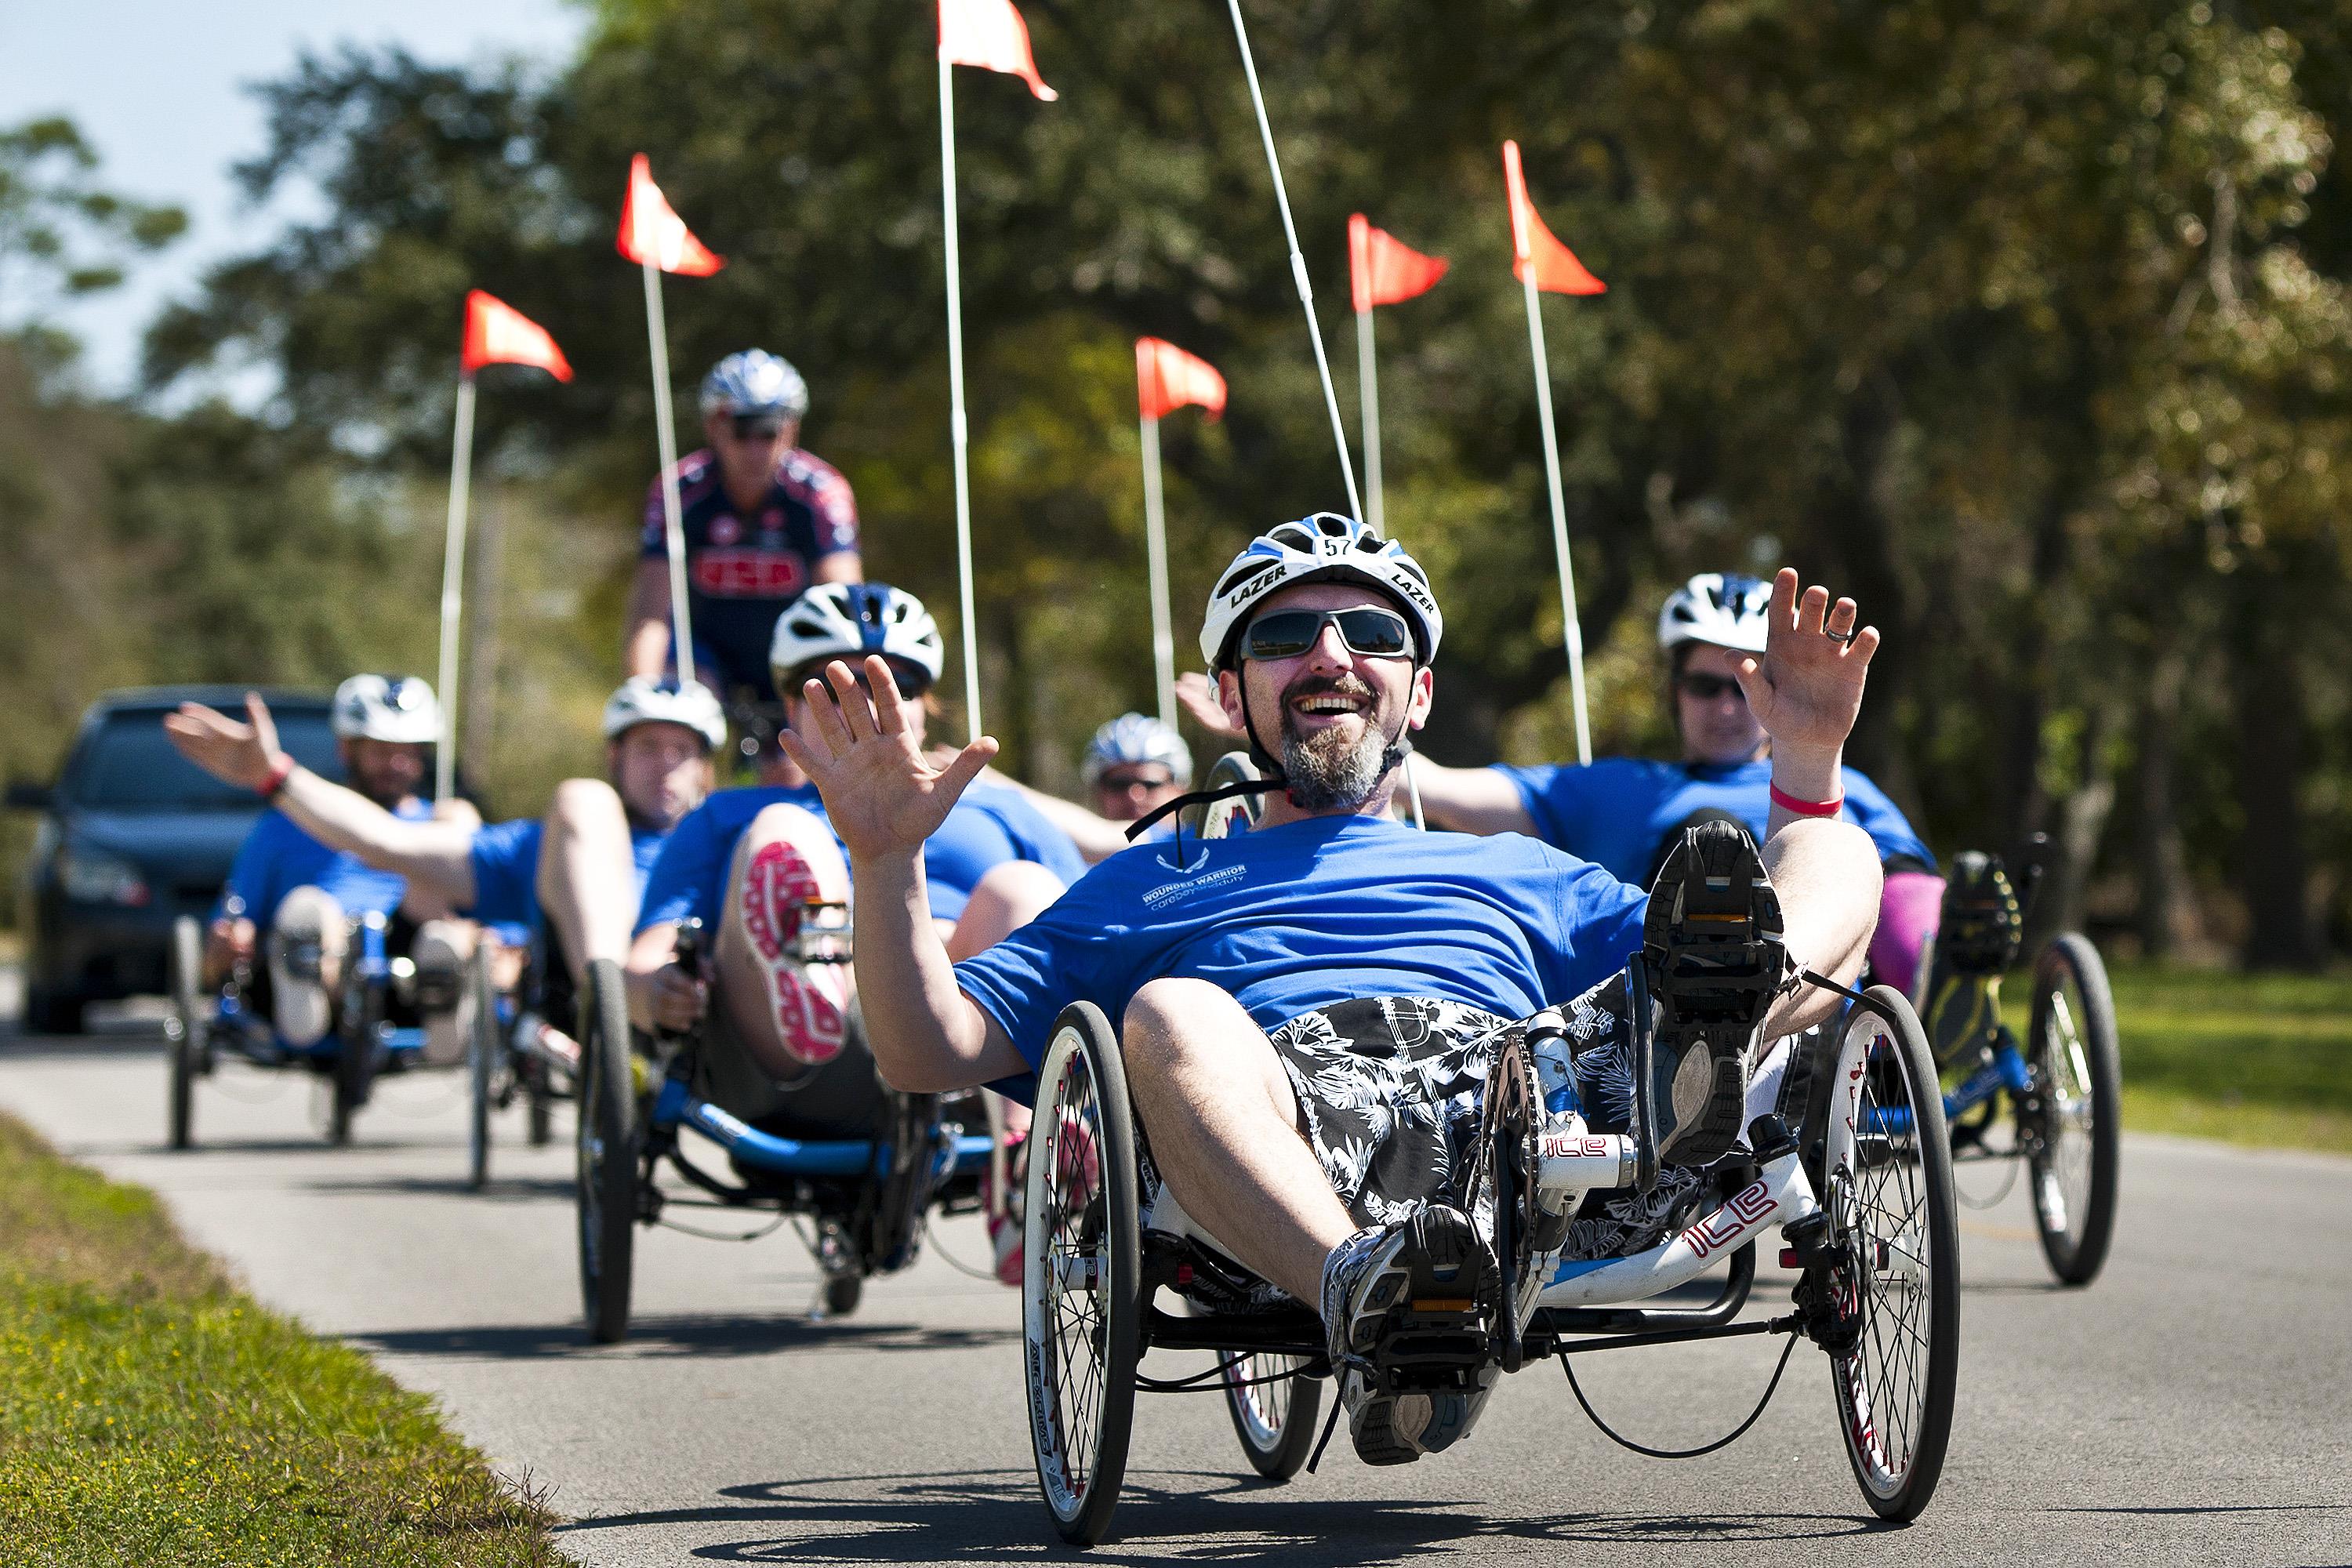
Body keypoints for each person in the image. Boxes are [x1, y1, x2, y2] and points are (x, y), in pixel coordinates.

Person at [781, 512, 1886, 1467]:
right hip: (1299, 1123)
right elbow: (923, 1054)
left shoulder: (1518, 870)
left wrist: (1807, 764)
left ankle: (1693, 1045)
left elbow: (1739, 931)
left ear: (1419, 692)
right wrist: (883, 866)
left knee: (1835, 857)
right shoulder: (1155, 880)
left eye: (1370, 632)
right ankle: (1377, 1300)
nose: (1329, 653)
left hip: (1535, 1112)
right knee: (1166, 1014)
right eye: (1281, 636)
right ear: (1228, 695)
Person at [1197, 572, 1942, 1000]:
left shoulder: (1849, 777)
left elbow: (1885, 879)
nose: (1725, 707)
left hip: (1811, 969)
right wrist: (1309, 728)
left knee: (1851, 857)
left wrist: (1811, 753)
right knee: (1710, 836)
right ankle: (1714, 993)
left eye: (1746, 689)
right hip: (1673, 960)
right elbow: (1438, 783)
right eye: (1705, 686)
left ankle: (1942, 982)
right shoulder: (1620, 788)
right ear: (1673, 689)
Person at [628, 582, 1086, 1277]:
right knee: (786, 832)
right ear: (791, 705)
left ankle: (1028, 1161)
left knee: (1024, 889)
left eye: (892, 682)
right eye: (833, 685)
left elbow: (1085, 936)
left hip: (963, 1051)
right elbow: (643, 960)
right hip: (805, 1062)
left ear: (925, 705)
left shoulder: (1000, 809)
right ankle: (818, 975)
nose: (868, 704)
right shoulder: (727, 816)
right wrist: (658, 990)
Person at [165, 679, 726, 1048]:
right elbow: (384, 841)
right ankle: (611, 1015)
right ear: (616, 756)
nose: (665, 767)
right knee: (580, 800)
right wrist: (276, 777)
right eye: (649, 748)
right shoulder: (551, 847)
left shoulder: (730, 831)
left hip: (715, 1005)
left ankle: (442, 984)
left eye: (681, 752)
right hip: (611, 1001)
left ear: (705, 767)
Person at [196, 674, 445, 1050]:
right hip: (303, 952)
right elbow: (233, 919)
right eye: (380, 750)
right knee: (310, 913)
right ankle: (312, 983)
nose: (396, 764)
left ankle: (446, 1002)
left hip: (404, 962)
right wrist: (232, 939)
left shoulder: (440, 825)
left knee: (442, 931)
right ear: (347, 750)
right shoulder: (287, 822)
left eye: (408, 752)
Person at [623, 350, 863, 706]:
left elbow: (842, 608)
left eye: (768, 431)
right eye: (740, 429)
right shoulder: (678, 491)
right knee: (674, 724)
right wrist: (643, 706)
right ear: (712, 428)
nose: (754, 448)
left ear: (792, 429)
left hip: (791, 649)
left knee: (799, 747)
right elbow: (651, 614)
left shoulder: (821, 492)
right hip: (702, 654)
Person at [1080, 713, 1192, 824]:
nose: (1133, 796)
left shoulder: (1206, 841)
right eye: (1119, 785)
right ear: (1099, 794)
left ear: (1179, 793)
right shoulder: (1073, 840)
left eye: (1150, 784)